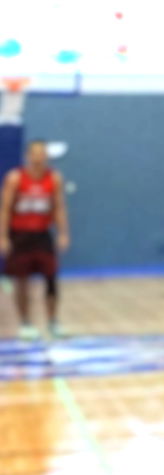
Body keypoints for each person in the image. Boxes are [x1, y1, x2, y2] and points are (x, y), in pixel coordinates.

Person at [1, 141, 69, 340]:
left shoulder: (53, 178)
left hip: (42, 234)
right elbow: (4, 209)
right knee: (21, 281)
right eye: (35, 153)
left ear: (47, 156)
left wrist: (63, 233)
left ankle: (53, 321)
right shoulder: (15, 178)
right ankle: (25, 323)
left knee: (51, 278)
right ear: (28, 156)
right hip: (20, 235)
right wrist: (3, 237)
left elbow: (59, 207)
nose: (39, 157)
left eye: (42, 154)